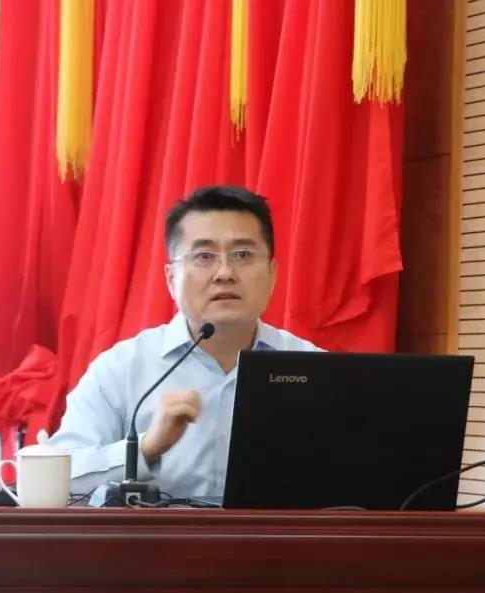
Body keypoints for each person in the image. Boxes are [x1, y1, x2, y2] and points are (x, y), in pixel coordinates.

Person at [49, 185, 321, 499]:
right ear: (171, 279)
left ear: (272, 273)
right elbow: (57, 477)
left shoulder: (316, 368)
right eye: (203, 256)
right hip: (155, 533)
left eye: (243, 255)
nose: (224, 273)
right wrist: (146, 448)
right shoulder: (122, 369)